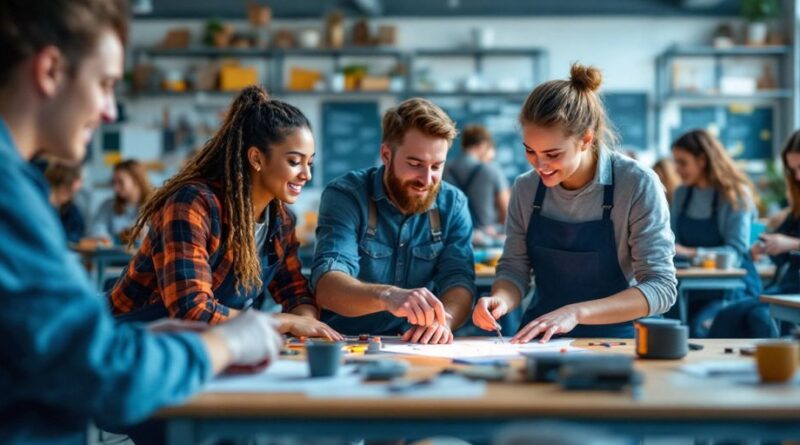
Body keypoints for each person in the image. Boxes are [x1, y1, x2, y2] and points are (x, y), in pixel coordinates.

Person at [0, 2, 283, 444]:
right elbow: (100, 374)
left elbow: (36, 333)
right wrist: (225, 343)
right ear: (51, 70)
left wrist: (148, 337)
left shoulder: (19, 181)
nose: (111, 111)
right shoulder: (8, 191)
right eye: (106, 84)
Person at [109, 85, 341, 341]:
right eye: (295, 162)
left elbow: (295, 291)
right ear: (256, 159)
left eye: (310, 163)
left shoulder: (281, 221)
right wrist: (282, 321)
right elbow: (190, 310)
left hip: (203, 348)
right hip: (124, 343)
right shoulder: (192, 204)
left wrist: (306, 322)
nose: (306, 175)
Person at [471, 64, 677, 343]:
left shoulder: (636, 184)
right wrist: (501, 299)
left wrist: (576, 313)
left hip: (619, 339)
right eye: (530, 151)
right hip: (542, 336)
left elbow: (661, 287)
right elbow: (514, 270)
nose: (540, 165)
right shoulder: (526, 187)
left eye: (552, 154)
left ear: (585, 140)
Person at [312, 98, 476, 344]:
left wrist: (445, 321)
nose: (427, 178)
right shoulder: (347, 195)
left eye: (437, 166)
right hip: (345, 342)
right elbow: (327, 285)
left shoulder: (453, 204)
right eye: (415, 164)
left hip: (415, 345)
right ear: (386, 155)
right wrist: (388, 296)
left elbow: (459, 281)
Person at [670, 129, 762, 337]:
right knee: (664, 329)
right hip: (687, 289)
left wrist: (691, 252)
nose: (677, 170)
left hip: (730, 292)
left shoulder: (734, 195)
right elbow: (672, 242)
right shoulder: (682, 194)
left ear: (702, 160)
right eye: (676, 162)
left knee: (700, 329)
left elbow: (736, 252)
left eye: (683, 163)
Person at [444, 124, 510, 245]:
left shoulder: (444, 168)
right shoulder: (492, 169)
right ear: (483, 145)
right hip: (484, 241)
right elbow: (506, 211)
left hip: (452, 238)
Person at [89, 159, 152, 244]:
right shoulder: (108, 205)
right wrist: (104, 239)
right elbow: (97, 228)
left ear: (136, 180)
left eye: (120, 182)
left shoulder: (155, 206)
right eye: (114, 182)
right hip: (114, 255)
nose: (116, 188)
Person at [44, 160, 86, 243]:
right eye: (80, 180)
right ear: (75, 184)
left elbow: (78, 234)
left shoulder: (71, 209)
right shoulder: (41, 205)